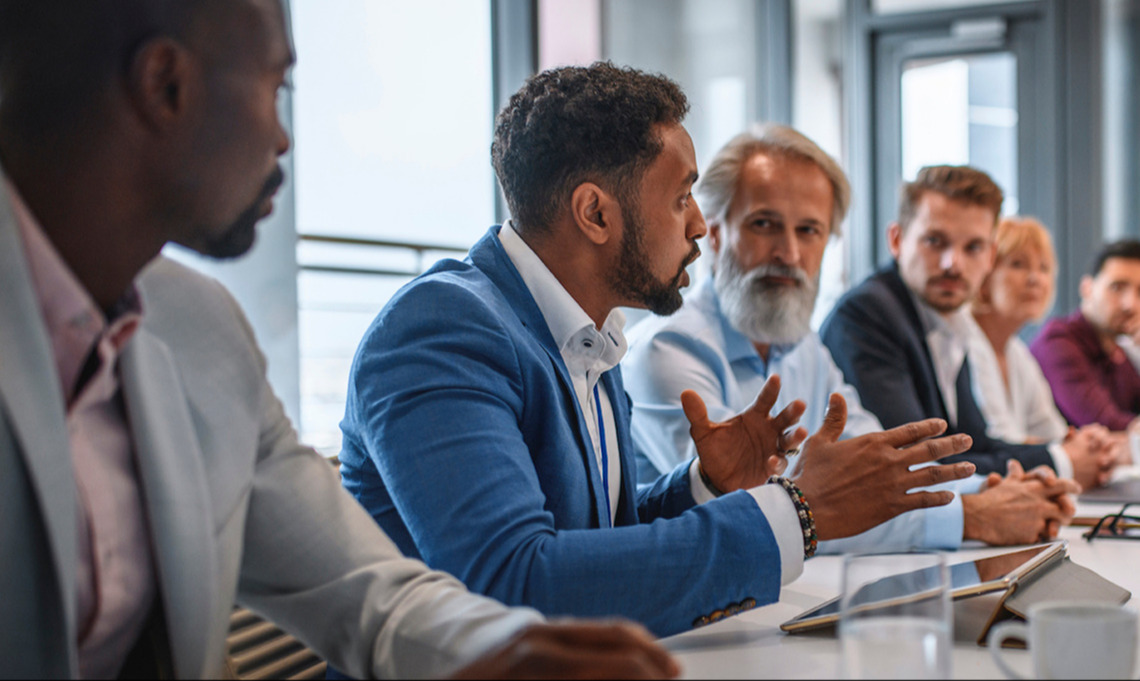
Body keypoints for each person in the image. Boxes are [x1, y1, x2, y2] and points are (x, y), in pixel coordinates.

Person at [0, 1, 683, 678]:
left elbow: (367, 591)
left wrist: (494, 649)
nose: (283, 138)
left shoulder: (201, 328)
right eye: (276, 89)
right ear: (164, 85)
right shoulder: (448, 324)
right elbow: (511, 569)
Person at [337, 63, 976, 640]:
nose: (700, 225)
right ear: (595, 213)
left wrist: (704, 485)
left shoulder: (589, 333)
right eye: (680, 198)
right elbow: (513, 583)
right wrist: (797, 512)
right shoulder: (441, 329)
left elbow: (593, 540)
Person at [624, 124, 1078, 551]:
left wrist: (1003, 490)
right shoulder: (670, 349)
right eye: (764, 224)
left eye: (809, 230)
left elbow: (877, 464)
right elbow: (754, 512)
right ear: (717, 234)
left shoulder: (803, 345)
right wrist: (971, 515)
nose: (789, 253)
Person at [820, 165, 1108, 479]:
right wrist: (1061, 462)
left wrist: (1061, 453)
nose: (952, 264)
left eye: (973, 247)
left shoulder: (950, 319)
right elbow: (915, 462)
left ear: (989, 256)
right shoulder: (867, 314)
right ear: (897, 240)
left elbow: (971, 443)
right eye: (935, 241)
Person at [968, 217, 1118, 487]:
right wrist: (1072, 452)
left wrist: (1085, 444)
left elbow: (1051, 432)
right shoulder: (965, 343)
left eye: (1044, 268)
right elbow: (998, 443)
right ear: (984, 274)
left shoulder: (1016, 352)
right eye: (1017, 264)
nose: (1035, 279)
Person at [1030, 240, 1140, 432]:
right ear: (1087, 288)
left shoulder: (1119, 353)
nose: (1130, 304)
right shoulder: (1058, 343)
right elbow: (1106, 424)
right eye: (1117, 287)